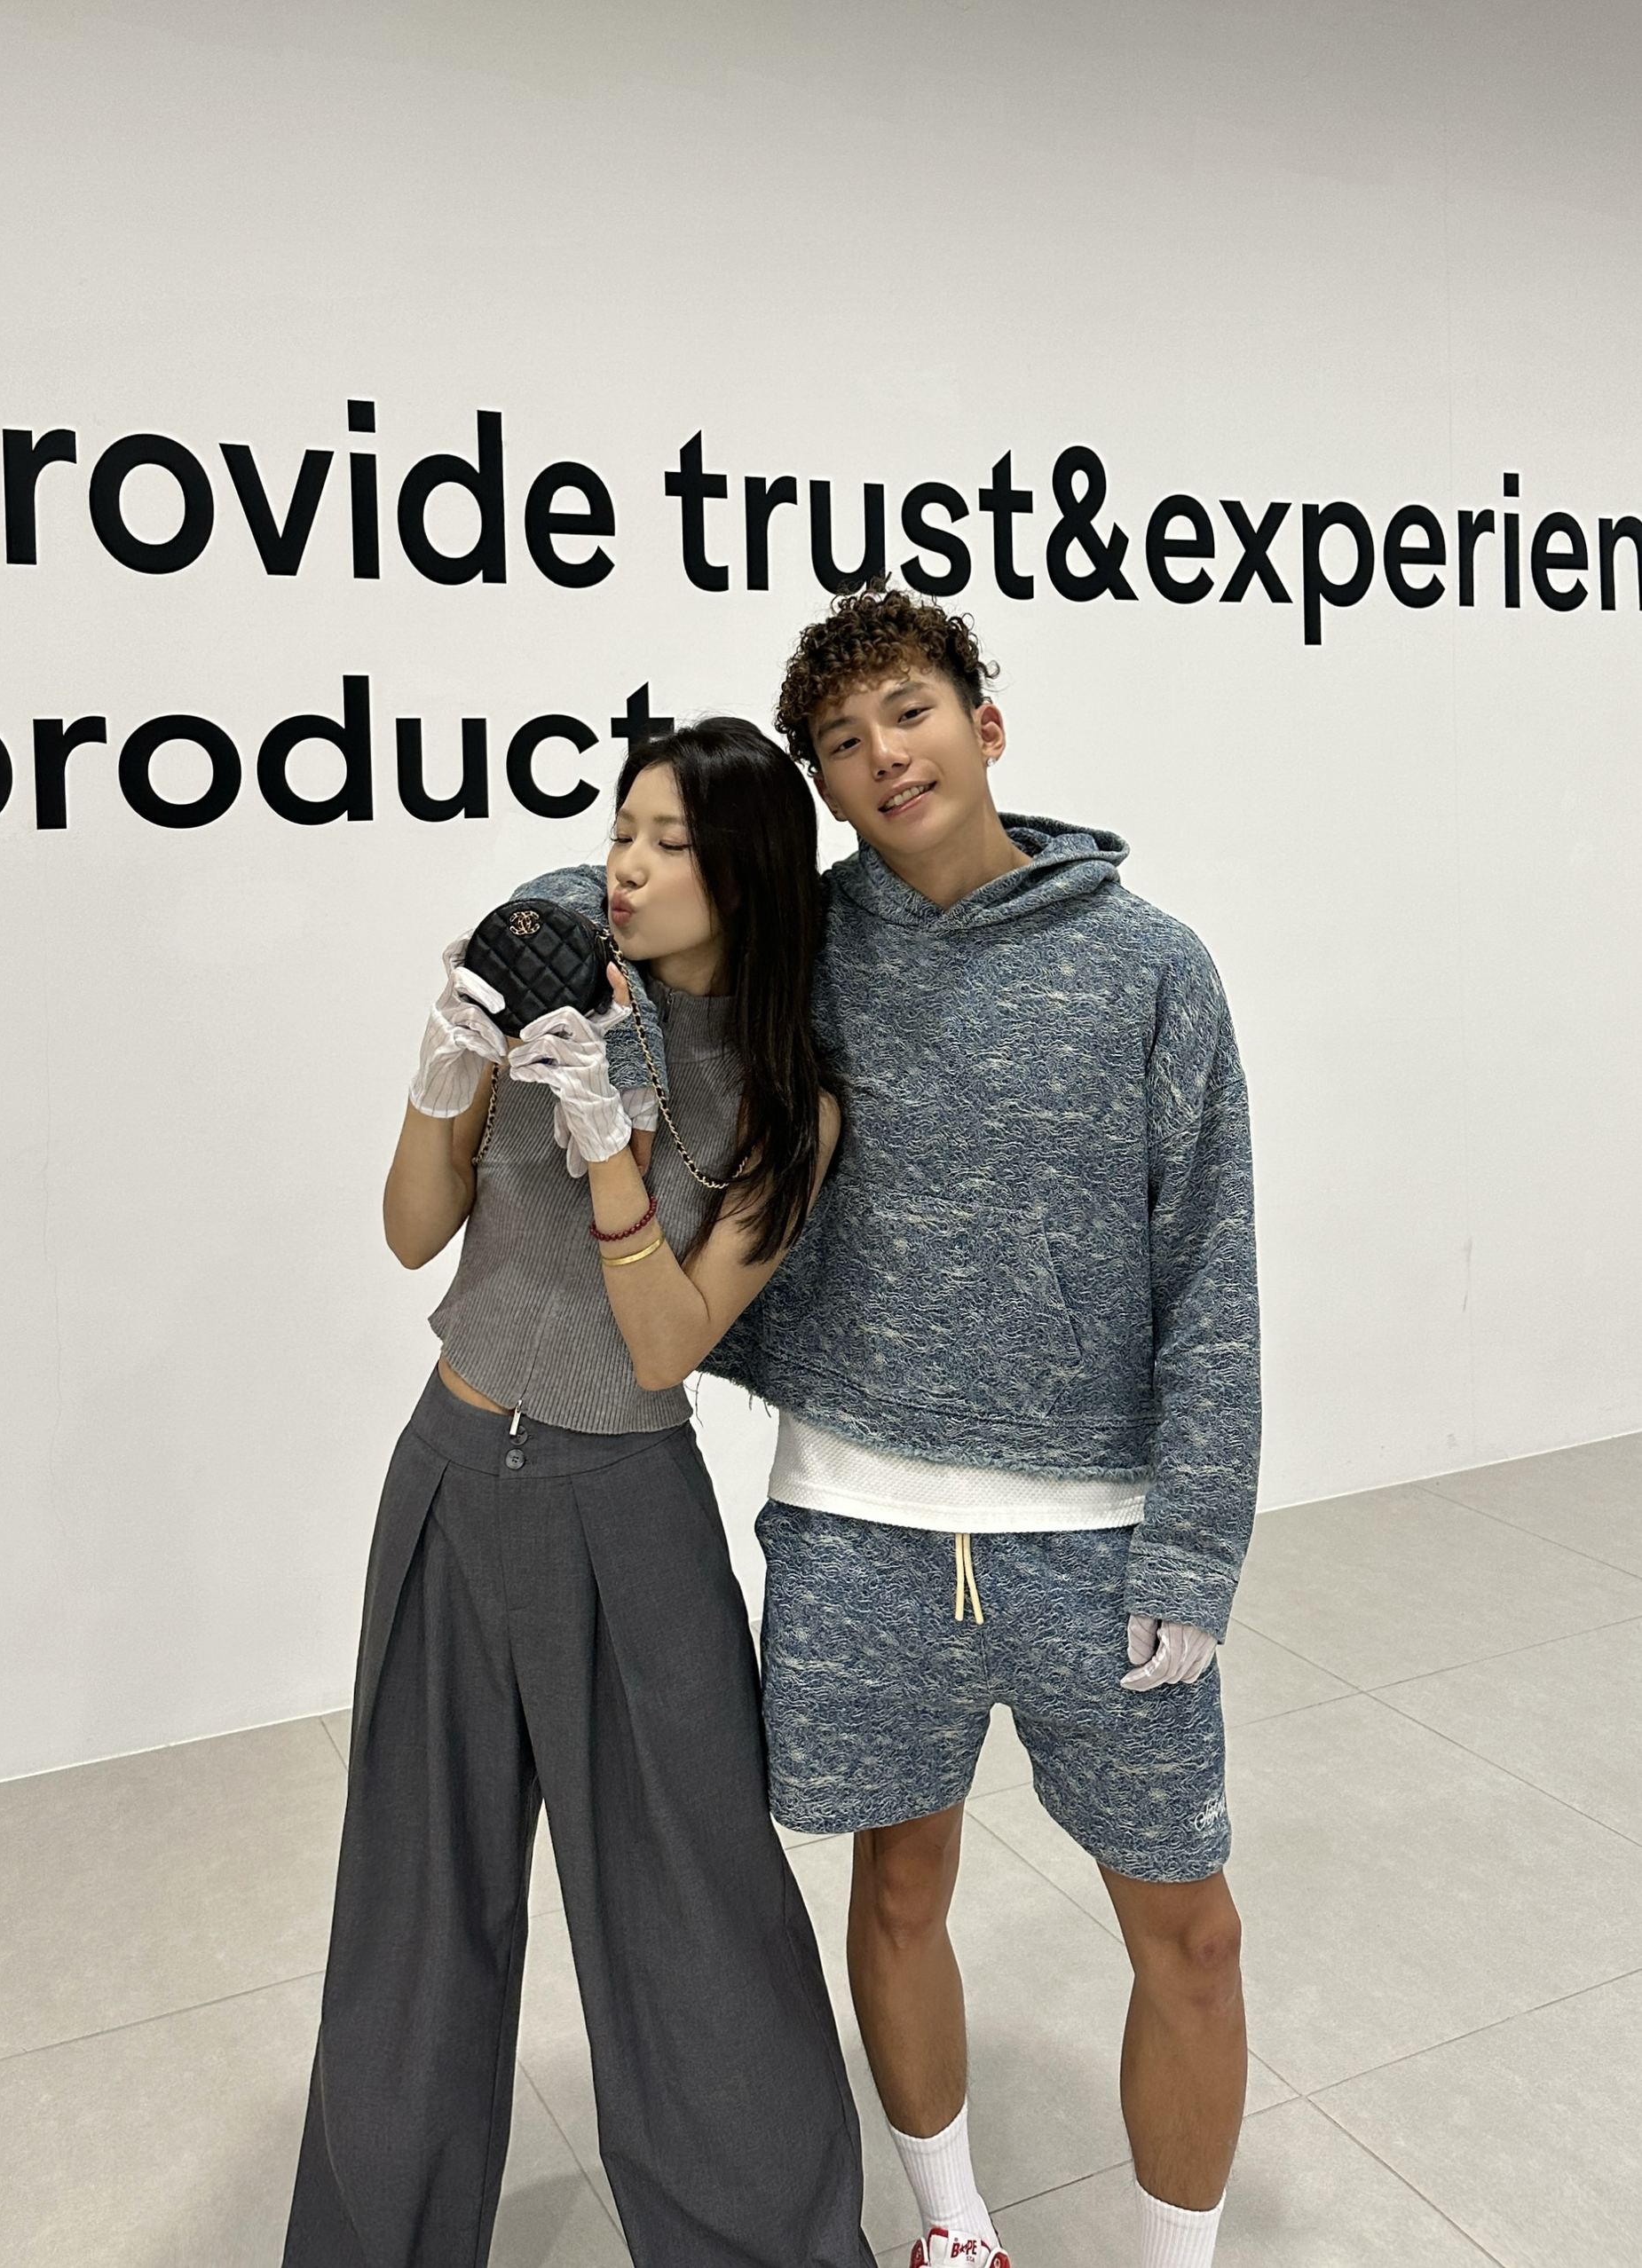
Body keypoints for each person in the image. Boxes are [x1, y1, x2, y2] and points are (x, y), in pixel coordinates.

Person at [707, 588, 1261, 2268]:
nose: (883, 754)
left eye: (910, 711)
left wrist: (1196, 1544)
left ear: (985, 723)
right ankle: (954, 2233)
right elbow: (633, 901)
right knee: (895, 1890)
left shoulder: (1151, 966)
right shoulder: (796, 952)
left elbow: (1210, 1264)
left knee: (1193, 1940)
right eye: (841, 740)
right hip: (858, 1526)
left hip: (1099, 1546)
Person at [283, 720, 872, 2268]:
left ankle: (764, 2242)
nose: (626, 866)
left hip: (628, 1509)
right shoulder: (555, 993)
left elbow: (668, 1343)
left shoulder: (787, 1105)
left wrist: (611, 1142)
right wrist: (448, 1076)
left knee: (692, 1913)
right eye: (623, 830)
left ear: (748, 876)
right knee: (414, 1903)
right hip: (449, 1472)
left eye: (672, 844)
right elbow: (413, 1232)